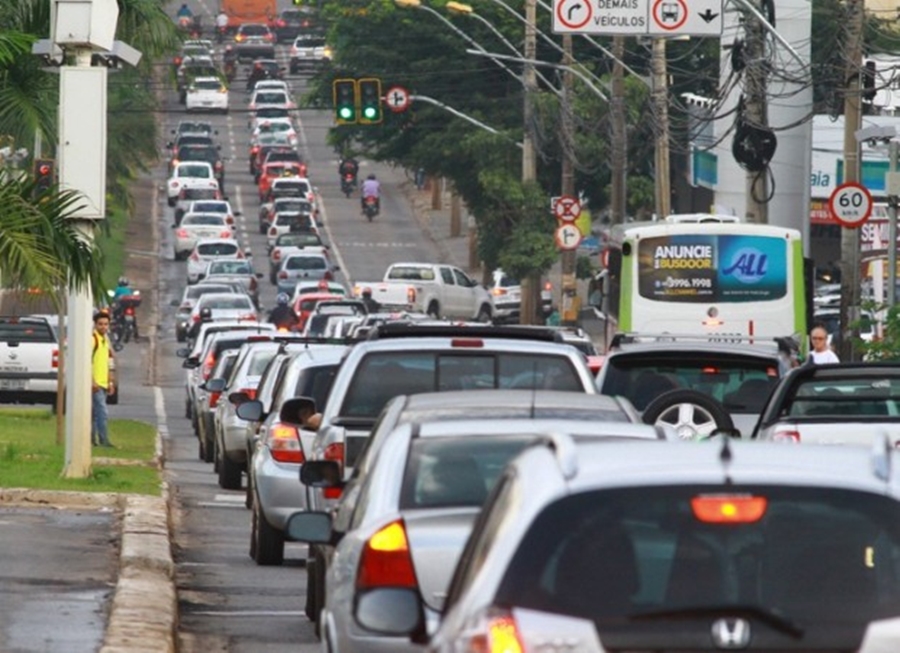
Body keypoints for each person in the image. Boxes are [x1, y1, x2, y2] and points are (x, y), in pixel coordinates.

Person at [92, 310, 116, 448]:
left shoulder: (105, 340)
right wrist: (92, 381)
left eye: (106, 324)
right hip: (95, 384)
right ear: (95, 325)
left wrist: (110, 381)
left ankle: (93, 440)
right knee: (102, 412)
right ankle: (103, 440)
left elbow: (108, 362)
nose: (103, 327)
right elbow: (87, 362)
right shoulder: (93, 339)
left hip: (103, 383)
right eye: (100, 324)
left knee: (96, 414)